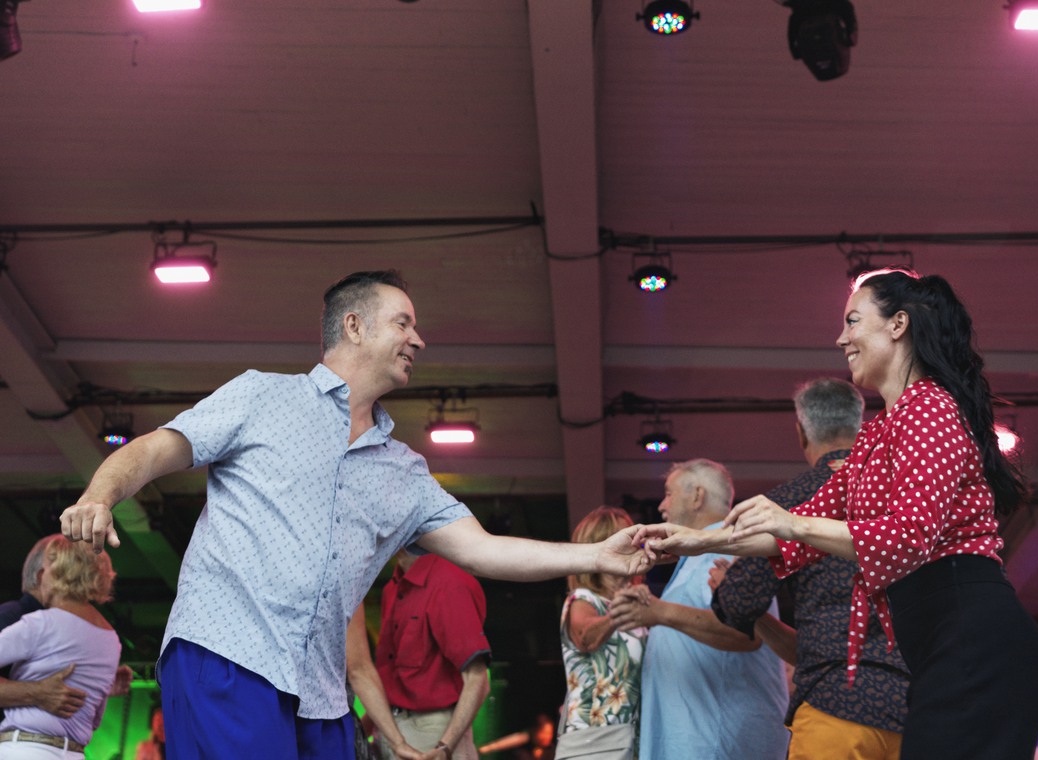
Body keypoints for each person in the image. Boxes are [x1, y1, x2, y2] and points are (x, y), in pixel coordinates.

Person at [58, 270, 652, 760]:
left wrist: (597, 554)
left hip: (321, 690)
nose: (418, 340)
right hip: (227, 656)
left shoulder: (405, 470)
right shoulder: (264, 396)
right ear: (354, 326)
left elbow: (485, 548)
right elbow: (157, 448)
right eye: (404, 323)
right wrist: (99, 495)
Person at [639, 269, 1038, 760]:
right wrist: (693, 541)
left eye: (852, 321)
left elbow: (907, 536)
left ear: (898, 325)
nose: (841, 338)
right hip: (941, 648)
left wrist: (791, 522)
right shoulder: (879, 435)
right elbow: (789, 534)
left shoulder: (930, 408)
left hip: (975, 642)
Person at [708, 378, 909, 760]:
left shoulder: (790, 503)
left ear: (801, 432)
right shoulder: (905, 499)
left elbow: (739, 600)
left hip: (836, 702)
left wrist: (723, 588)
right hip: (918, 710)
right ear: (859, 424)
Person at [622, 460, 790, 760]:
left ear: (697, 496)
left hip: (717, 745)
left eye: (669, 493)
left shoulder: (730, 548)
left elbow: (742, 633)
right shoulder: (700, 554)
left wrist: (659, 613)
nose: (662, 505)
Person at [347, 549, 490, 760]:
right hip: (392, 731)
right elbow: (389, 684)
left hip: (433, 731)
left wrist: (445, 747)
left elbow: (478, 679)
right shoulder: (392, 587)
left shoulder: (450, 582)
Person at [0, 535, 121, 758]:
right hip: (74, 752)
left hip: (24, 749)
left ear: (60, 572)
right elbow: (95, 719)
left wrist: (33, 693)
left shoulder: (41, 623)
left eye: (45, 568)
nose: (39, 578)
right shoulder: (111, 639)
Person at [556, 508, 647, 758]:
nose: (636, 543)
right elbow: (586, 637)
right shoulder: (583, 599)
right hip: (594, 741)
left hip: (631, 741)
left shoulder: (637, 608)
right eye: (626, 536)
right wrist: (620, 611)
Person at [0, 537, 88, 724]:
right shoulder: (12, 616)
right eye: (68, 574)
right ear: (42, 577)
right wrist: (37, 692)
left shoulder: (52, 624)